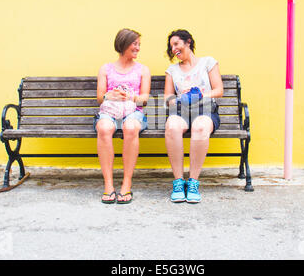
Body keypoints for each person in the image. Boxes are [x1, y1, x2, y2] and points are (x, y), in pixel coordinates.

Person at [164, 29, 224, 203]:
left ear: (188, 42)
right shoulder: (172, 70)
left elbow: (219, 90)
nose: (174, 49)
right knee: (172, 126)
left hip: (205, 109)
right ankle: (178, 182)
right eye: (171, 47)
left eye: (176, 44)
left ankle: (193, 183)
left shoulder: (208, 62)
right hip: (181, 110)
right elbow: (168, 97)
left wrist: (199, 95)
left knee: (200, 127)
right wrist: (179, 97)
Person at [94, 28, 151, 204]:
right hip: (109, 112)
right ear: (124, 44)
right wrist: (109, 96)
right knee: (104, 128)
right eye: (135, 44)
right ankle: (109, 185)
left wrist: (132, 97)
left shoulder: (143, 70)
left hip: (133, 112)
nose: (138, 48)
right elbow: (99, 98)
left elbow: (144, 100)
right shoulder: (106, 68)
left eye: (139, 44)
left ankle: (126, 183)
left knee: (131, 127)